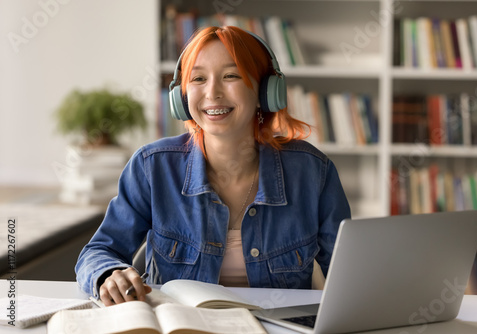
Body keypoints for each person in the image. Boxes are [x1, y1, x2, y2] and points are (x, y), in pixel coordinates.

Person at [75, 26, 351, 306]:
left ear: (265, 91)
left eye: (231, 76)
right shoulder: (153, 168)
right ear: (181, 97)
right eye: (198, 78)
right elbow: (98, 251)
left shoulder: (313, 172)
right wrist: (109, 274)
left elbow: (350, 276)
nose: (212, 92)